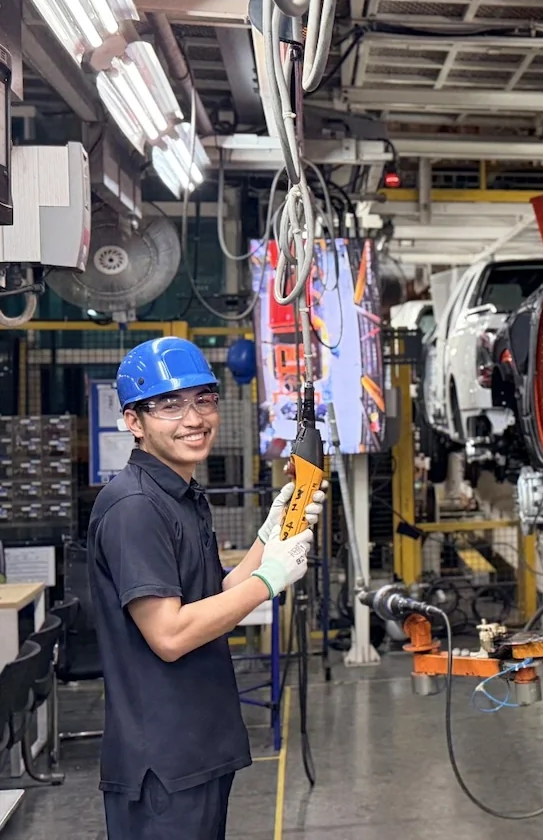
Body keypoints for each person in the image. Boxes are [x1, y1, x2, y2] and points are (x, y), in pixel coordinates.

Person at [87, 336, 326, 839]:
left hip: (198, 748)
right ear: (134, 421)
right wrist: (269, 579)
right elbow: (170, 635)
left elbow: (211, 600)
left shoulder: (181, 495)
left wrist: (271, 535)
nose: (193, 418)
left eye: (203, 399)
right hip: (162, 765)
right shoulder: (134, 507)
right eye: (169, 405)